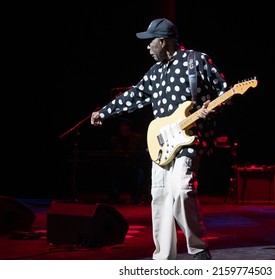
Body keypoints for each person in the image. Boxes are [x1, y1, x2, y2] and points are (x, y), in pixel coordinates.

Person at [91, 18, 233, 260]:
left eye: (150, 43)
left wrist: (213, 107)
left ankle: (199, 248)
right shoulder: (155, 72)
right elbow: (134, 95)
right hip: (162, 143)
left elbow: (225, 92)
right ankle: (163, 258)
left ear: (163, 41)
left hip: (190, 138)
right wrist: (105, 112)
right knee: (160, 196)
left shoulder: (196, 60)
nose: (147, 48)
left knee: (181, 190)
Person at [109, 118, 149, 204]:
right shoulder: (114, 139)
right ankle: (115, 196)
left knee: (139, 172)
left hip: (135, 163)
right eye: (121, 126)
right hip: (120, 163)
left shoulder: (138, 137)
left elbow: (141, 152)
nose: (123, 128)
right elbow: (113, 153)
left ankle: (136, 196)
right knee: (114, 172)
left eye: (125, 126)